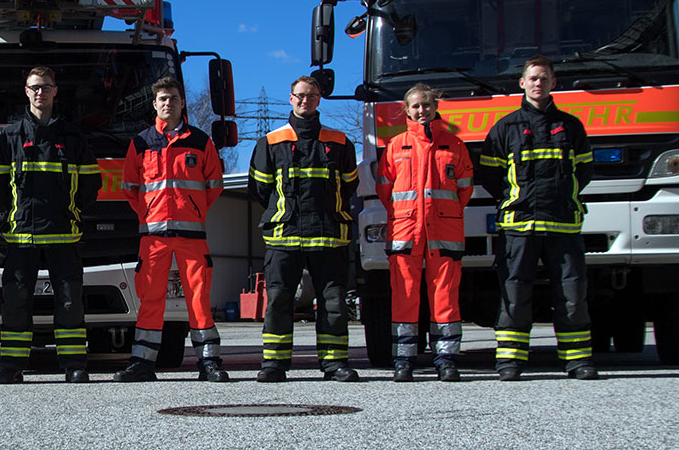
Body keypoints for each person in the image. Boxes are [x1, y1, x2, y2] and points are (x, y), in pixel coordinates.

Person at [478, 55, 598, 381]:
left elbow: (584, 171)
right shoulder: (506, 128)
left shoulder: (572, 127)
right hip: (519, 224)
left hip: (563, 223)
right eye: (533, 78)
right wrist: (516, 199)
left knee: (572, 295)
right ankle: (510, 362)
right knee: (514, 294)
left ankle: (577, 361)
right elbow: (490, 176)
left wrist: (562, 196)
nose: (538, 83)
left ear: (553, 83)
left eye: (544, 78)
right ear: (522, 83)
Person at [0, 66, 101, 384]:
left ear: (55, 91)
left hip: (64, 234)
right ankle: (11, 366)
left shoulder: (73, 137)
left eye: (45, 87)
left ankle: (74, 365)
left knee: (68, 300)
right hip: (22, 235)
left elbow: (92, 184)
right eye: (34, 87)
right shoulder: (10, 137)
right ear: (26, 91)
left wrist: (71, 211)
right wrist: (16, 213)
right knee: (16, 299)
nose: (40, 93)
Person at [115, 77, 229, 383]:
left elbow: (214, 185)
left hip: (192, 236)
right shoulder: (140, 143)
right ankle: (142, 363)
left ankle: (209, 363)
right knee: (150, 299)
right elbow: (130, 188)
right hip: (153, 237)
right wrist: (150, 214)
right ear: (154, 104)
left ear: (182, 103)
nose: (168, 103)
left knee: (198, 299)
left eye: (174, 98)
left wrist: (194, 210)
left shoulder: (201, 142)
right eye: (163, 98)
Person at [248, 76, 359, 383]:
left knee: (333, 302)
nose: (304, 101)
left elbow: (349, 185)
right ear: (290, 98)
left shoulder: (339, 142)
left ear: (318, 99)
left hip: (329, 234)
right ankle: (274, 365)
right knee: (279, 301)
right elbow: (260, 189)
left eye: (310, 96)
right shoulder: (270, 143)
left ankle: (335, 364)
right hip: (285, 235)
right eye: (299, 96)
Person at [375, 83, 473, 383]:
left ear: (435, 108)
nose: (422, 111)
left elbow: (465, 190)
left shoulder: (454, 145)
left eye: (427, 105)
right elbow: (384, 189)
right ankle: (404, 359)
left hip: (444, 232)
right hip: (406, 232)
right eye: (416, 106)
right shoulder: (395, 146)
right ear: (406, 110)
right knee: (404, 296)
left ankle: (446, 359)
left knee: (445, 296)